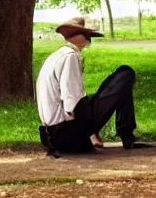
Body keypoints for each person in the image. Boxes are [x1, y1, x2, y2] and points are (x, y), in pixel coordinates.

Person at [36, 16, 145, 155]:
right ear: (77, 35)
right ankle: (126, 134)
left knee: (118, 89)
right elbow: (72, 103)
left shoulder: (55, 56)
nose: (90, 40)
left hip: (52, 134)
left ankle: (127, 135)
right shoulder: (70, 56)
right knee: (125, 74)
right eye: (87, 35)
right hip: (66, 134)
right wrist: (90, 130)